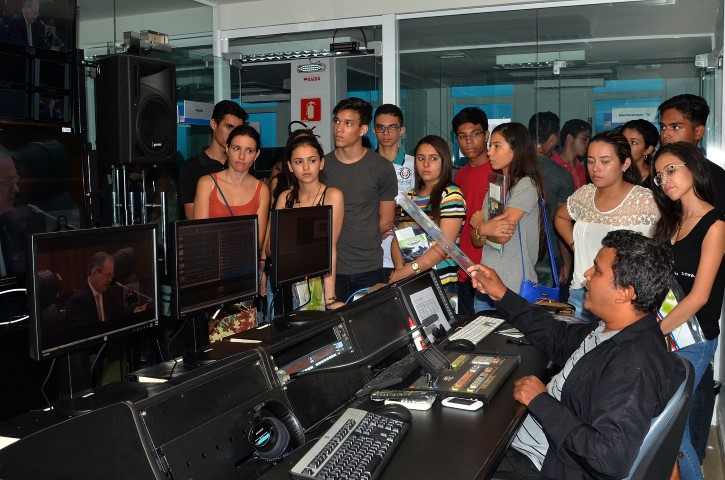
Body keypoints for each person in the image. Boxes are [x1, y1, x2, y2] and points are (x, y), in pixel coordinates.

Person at [467, 229, 685, 479]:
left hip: (540, 465)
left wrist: (540, 401)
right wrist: (502, 294)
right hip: (529, 447)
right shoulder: (610, 330)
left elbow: (608, 458)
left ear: (625, 292)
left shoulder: (633, 364)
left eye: (598, 270)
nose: (587, 275)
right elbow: (556, 336)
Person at [650, 142, 725, 480]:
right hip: (664, 331)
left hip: (693, 338)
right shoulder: (670, 221)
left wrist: (654, 332)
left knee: (672, 431)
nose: (664, 180)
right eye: (658, 176)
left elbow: (698, 297)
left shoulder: (716, 224)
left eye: (671, 170)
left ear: (693, 169)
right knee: (667, 426)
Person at [554, 130, 658, 322]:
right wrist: (574, 244)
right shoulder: (584, 195)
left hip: (625, 302)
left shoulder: (645, 201)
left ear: (625, 164)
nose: (596, 168)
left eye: (605, 161)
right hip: (582, 296)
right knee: (575, 350)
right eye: (591, 161)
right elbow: (560, 217)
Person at [323, 97, 397, 302]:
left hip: (369, 267)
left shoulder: (382, 167)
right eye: (337, 121)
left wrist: (361, 236)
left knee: (369, 330)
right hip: (330, 270)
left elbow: (386, 220)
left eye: (348, 123)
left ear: (363, 130)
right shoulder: (322, 166)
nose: (339, 128)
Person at [262, 135, 345, 310]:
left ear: (321, 163)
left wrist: (330, 299)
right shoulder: (285, 198)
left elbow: (330, 250)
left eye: (312, 160)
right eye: (299, 162)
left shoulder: (332, 196)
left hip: (316, 282)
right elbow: (270, 248)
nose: (306, 167)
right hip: (283, 282)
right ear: (290, 166)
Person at [469, 122, 545, 311]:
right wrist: (483, 229)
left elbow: (502, 234)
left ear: (516, 149)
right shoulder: (496, 186)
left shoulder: (526, 186)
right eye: (490, 146)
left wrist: (482, 227)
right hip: (485, 282)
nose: (489, 153)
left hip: (513, 287)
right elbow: (476, 240)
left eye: (497, 146)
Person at [388, 135, 466, 288]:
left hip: (441, 283)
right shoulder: (409, 196)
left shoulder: (451, 194)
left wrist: (406, 272)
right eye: (421, 158)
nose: (426, 164)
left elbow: (444, 247)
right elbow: (398, 238)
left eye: (434, 158)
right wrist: (399, 270)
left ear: (444, 161)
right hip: (410, 280)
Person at [193, 125, 270, 249]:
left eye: (249, 150)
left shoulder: (262, 190)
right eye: (236, 148)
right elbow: (200, 235)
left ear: (257, 154)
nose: (241, 156)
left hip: (245, 263)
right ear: (227, 149)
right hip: (211, 261)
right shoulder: (207, 183)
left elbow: (257, 243)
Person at [452, 107, 494, 316]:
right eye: (462, 136)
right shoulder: (459, 176)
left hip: (491, 270)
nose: (469, 141)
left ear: (486, 135)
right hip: (463, 269)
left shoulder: (499, 173)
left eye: (475, 134)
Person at [528, 112, 574, 290]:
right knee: (544, 311)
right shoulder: (560, 175)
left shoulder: (512, 168)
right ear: (554, 138)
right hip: (549, 254)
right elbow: (562, 222)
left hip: (518, 254)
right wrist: (566, 263)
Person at [179, 100, 248, 219]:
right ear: (213, 124)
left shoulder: (242, 164)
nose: (234, 134)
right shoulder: (190, 167)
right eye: (229, 127)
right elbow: (192, 218)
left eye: (238, 129)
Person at [658, 94, 725, 213]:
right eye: (663, 127)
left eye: (675, 127)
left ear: (698, 132)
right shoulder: (657, 175)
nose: (665, 135)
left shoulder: (717, 178)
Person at [373, 104, 415, 279]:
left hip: (407, 254)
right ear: (374, 130)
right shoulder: (365, 164)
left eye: (392, 127)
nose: (386, 133)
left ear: (402, 131)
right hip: (373, 255)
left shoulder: (415, 165)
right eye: (381, 127)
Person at [65, 252, 147, 327]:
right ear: (94, 273)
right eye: (107, 275)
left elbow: (119, 311)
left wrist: (135, 311)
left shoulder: (107, 290)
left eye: (111, 276)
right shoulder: (78, 301)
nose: (110, 280)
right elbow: (86, 333)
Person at [551, 119, 591, 190]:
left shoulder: (583, 168)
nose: (588, 143)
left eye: (589, 140)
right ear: (570, 138)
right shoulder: (552, 165)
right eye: (584, 139)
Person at [619, 118, 659, 188]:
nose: (626, 145)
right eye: (623, 140)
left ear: (648, 150)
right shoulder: (615, 173)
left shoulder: (657, 178)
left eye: (633, 142)